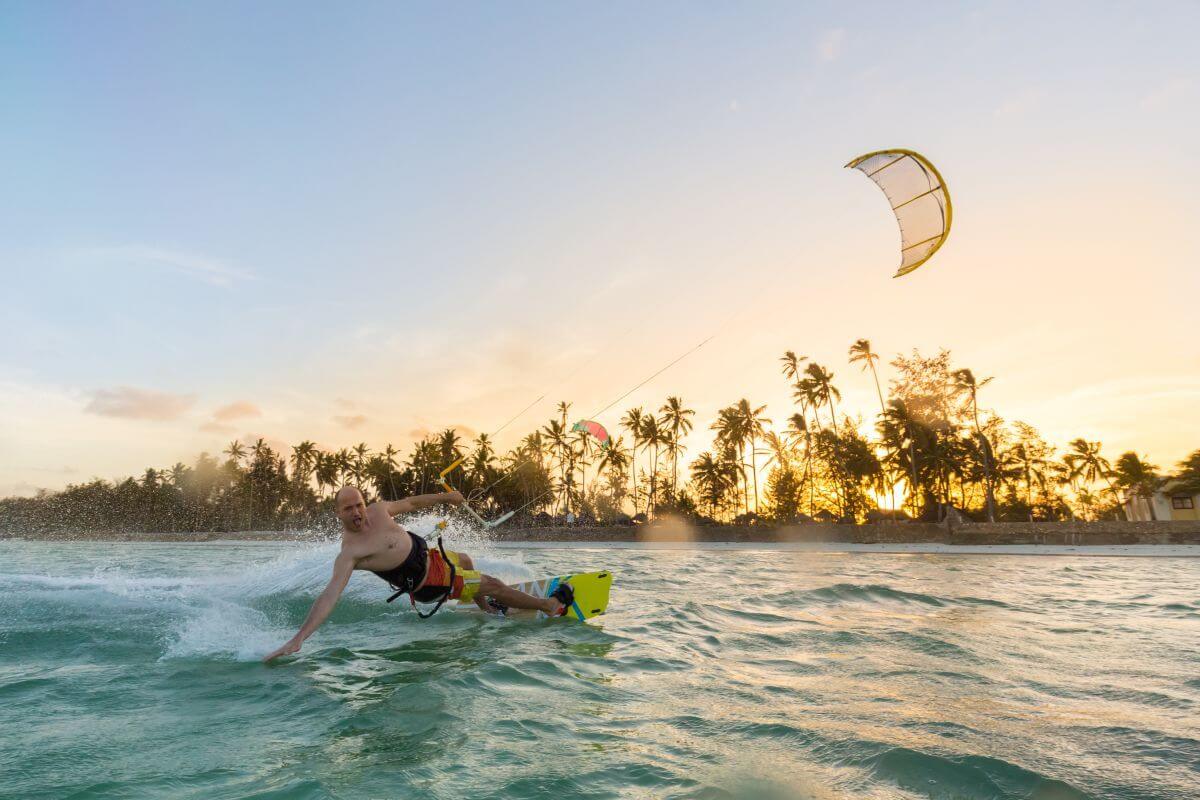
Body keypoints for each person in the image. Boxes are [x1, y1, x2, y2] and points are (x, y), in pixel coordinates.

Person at [263, 486, 572, 662]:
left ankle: (487, 607)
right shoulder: (350, 553)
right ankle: (549, 606)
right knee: (492, 583)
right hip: (429, 582)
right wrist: (299, 638)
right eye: (348, 510)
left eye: (358, 505)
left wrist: (446, 498)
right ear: (338, 513)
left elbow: (411, 502)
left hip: (434, 559)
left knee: (463, 558)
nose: (357, 513)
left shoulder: (378, 510)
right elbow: (330, 594)